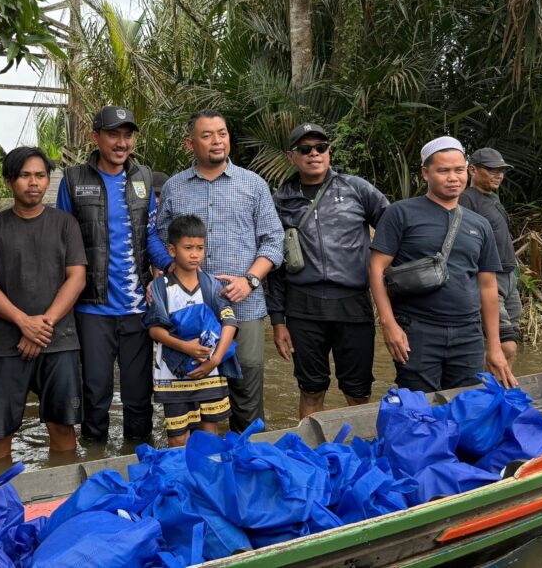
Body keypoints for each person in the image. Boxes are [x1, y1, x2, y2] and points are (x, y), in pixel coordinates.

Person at [157, 109, 284, 433]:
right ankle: (204, 457)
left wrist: (250, 280)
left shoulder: (254, 184)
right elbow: (160, 239)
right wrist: (170, 274)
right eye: (207, 135)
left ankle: (249, 451)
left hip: (244, 303)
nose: (217, 141)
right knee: (194, 385)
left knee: (247, 380)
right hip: (189, 309)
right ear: (190, 143)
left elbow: (273, 239)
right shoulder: (173, 187)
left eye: (222, 133)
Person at [56, 105, 173, 443]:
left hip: (137, 309)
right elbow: (64, 240)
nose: (122, 143)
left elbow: (149, 235)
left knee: (139, 397)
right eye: (113, 135)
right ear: (96, 137)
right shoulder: (74, 180)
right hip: (92, 308)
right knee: (95, 395)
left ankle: (138, 459)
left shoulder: (143, 178)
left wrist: (171, 268)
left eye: (127, 135)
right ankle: (94, 460)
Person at [369, 136, 517, 392]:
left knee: (466, 403)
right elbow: (376, 268)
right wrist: (389, 324)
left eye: (459, 170)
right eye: (443, 171)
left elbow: (487, 285)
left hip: (468, 334)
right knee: (419, 405)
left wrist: (494, 346)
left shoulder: (479, 224)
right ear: (426, 173)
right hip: (417, 330)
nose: (453, 177)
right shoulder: (400, 213)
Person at [266, 123, 389, 419]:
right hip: (303, 306)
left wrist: (382, 271)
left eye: (320, 148)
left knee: (358, 390)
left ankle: (360, 445)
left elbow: (392, 227)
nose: (314, 154)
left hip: (353, 303)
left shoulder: (356, 188)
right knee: (310, 389)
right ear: (291, 156)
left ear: (329, 152)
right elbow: (274, 265)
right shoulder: (281, 200)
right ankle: (311, 446)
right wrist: (278, 321)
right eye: (305, 149)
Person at [0, 147, 88, 461]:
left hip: (59, 340)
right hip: (6, 344)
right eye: (25, 175)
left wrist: (42, 326)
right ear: (9, 181)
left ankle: (63, 489)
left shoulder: (66, 225)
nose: (33, 182)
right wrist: (24, 322)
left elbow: (77, 278)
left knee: (62, 425)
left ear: (48, 180)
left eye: (40, 175)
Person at [145, 215, 240, 446]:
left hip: (210, 374)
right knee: (178, 438)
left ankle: (204, 470)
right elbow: (154, 330)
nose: (195, 254)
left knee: (208, 434)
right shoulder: (160, 287)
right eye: (188, 248)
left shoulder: (211, 284)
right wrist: (186, 347)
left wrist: (215, 360)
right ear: (172, 250)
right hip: (173, 376)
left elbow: (230, 323)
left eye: (200, 248)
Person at [460, 148, 521, 365]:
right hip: (488, 278)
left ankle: (502, 385)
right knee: (505, 345)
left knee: (512, 341)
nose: (498, 175)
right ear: (472, 170)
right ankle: (486, 384)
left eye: (501, 171)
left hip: (509, 276)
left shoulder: (493, 198)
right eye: (492, 170)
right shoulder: (466, 199)